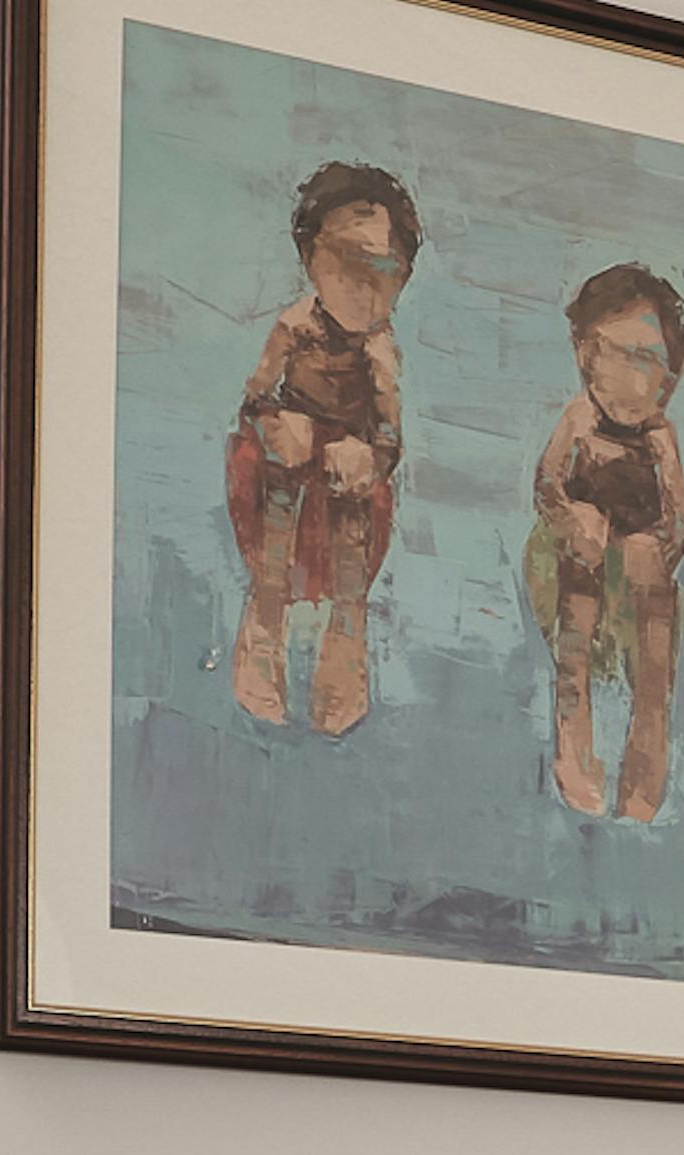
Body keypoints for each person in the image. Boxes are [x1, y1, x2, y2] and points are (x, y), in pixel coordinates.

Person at [226, 161, 421, 733]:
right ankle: (262, 646)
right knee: (275, 548)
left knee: (349, 559)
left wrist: (370, 456)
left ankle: (344, 660)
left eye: (384, 267)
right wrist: (277, 424)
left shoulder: (381, 351)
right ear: (310, 258)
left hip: (349, 473)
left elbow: (390, 434)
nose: (365, 285)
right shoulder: (295, 326)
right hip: (287, 458)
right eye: (346, 261)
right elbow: (254, 399)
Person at [530, 262, 684, 817]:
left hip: (642, 574)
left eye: (648, 360)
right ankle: (574, 748)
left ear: (671, 376)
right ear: (584, 354)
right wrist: (573, 517)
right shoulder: (579, 420)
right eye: (615, 353)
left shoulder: (659, 438)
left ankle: (647, 756)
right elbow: (547, 485)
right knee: (575, 635)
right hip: (582, 562)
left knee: (654, 648)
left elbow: (679, 523)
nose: (631, 378)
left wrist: (654, 547)